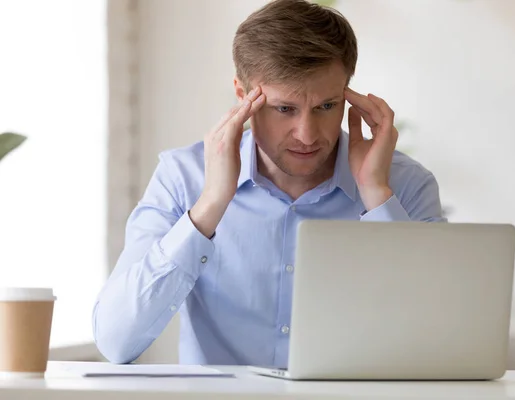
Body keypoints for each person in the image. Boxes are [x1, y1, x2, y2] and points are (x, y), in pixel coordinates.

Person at [93, 0, 446, 367]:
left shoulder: (404, 184)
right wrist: (209, 206)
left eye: (326, 106)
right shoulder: (183, 178)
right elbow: (117, 340)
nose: (307, 135)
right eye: (284, 109)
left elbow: (442, 341)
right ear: (243, 95)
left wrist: (376, 198)